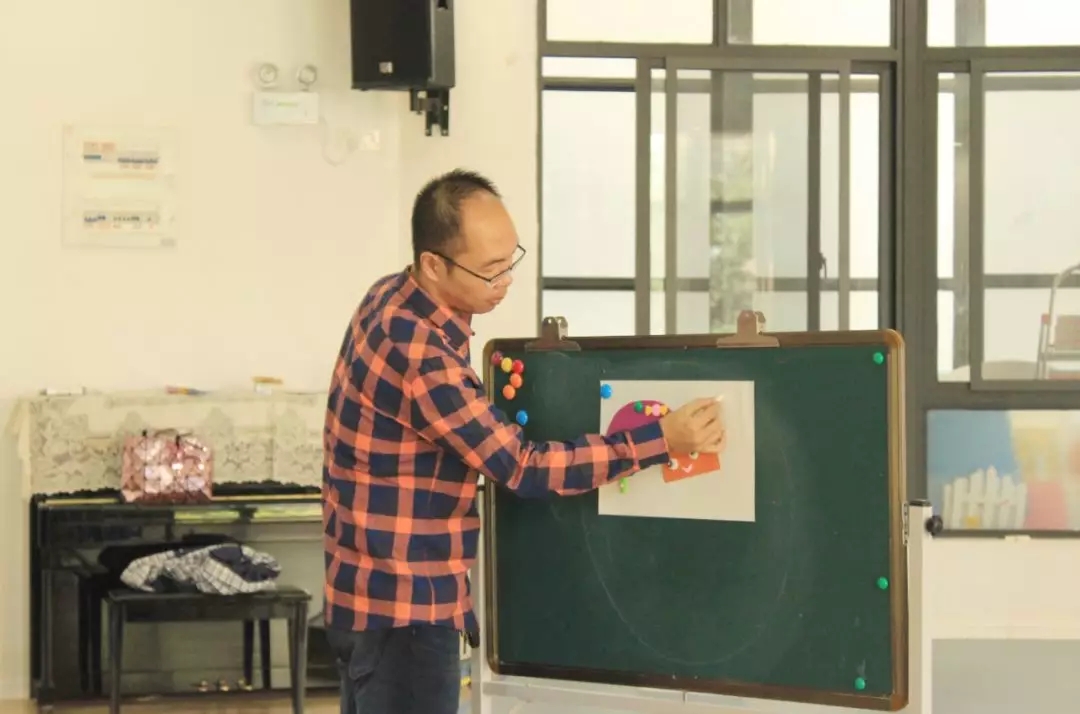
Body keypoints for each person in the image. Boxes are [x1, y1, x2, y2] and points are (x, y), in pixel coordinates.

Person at [322, 169, 724, 714]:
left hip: (365, 596)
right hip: (405, 611)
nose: (506, 279)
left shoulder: (392, 295)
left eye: (511, 258)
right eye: (490, 269)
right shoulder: (423, 356)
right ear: (433, 265)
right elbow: (522, 468)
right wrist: (659, 440)